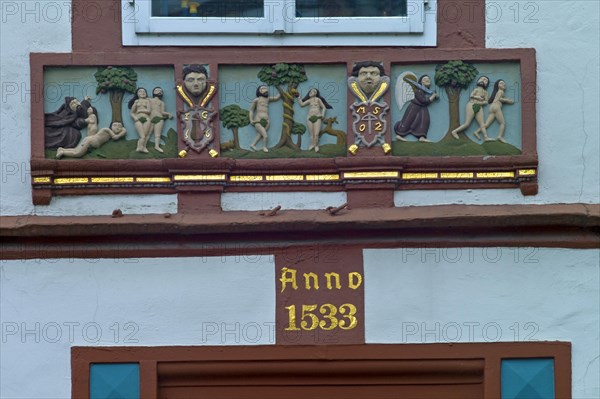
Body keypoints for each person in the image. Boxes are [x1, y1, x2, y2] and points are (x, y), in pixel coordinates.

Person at [394, 75, 438, 142]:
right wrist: (433, 96)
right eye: (425, 79)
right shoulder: (418, 91)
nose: (428, 80)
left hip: (422, 109)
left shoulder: (425, 91)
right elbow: (423, 101)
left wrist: (433, 95)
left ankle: (421, 137)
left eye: (428, 79)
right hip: (414, 108)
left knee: (424, 120)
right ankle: (399, 135)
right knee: (407, 121)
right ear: (421, 82)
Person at [56, 122, 127, 159]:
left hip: (90, 139)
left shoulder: (109, 133)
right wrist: (120, 133)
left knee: (75, 150)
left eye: (119, 126)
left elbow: (124, 131)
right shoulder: (107, 130)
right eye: (115, 125)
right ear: (111, 126)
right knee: (78, 154)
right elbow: (116, 137)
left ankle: (62, 149)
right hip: (92, 140)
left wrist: (123, 130)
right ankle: (62, 153)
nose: (117, 127)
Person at [451, 76, 491, 140]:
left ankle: (486, 137)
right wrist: (478, 97)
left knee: (482, 124)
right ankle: (454, 131)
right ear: (478, 81)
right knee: (467, 124)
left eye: (485, 80)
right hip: (471, 105)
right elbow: (471, 96)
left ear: (487, 84)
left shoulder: (485, 92)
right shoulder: (476, 89)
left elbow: (486, 101)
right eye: (481, 79)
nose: (483, 80)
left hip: (479, 107)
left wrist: (481, 103)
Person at [248, 85, 280, 152]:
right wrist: (251, 119)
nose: (266, 89)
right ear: (259, 91)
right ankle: (264, 147)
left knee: (260, 134)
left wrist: (281, 90)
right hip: (258, 120)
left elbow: (277, 97)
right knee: (265, 136)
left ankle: (253, 145)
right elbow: (251, 110)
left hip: (267, 120)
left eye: (266, 88)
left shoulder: (267, 99)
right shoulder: (257, 100)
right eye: (263, 88)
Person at [149, 87, 173, 153]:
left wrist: (168, 114)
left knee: (157, 134)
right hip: (150, 118)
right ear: (153, 92)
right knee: (147, 133)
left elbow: (162, 112)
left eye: (160, 91)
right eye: (157, 90)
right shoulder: (149, 100)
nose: (159, 91)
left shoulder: (161, 103)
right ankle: (143, 146)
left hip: (159, 118)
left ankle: (157, 146)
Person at [128, 87, 152, 153]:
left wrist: (141, 110)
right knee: (142, 136)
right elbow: (132, 112)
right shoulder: (136, 101)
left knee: (145, 134)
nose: (142, 93)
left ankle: (143, 147)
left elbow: (149, 111)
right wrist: (135, 118)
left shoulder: (147, 101)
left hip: (146, 119)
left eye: (144, 91)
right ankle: (139, 147)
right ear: (137, 94)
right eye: (140, 91)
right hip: (138, 119)